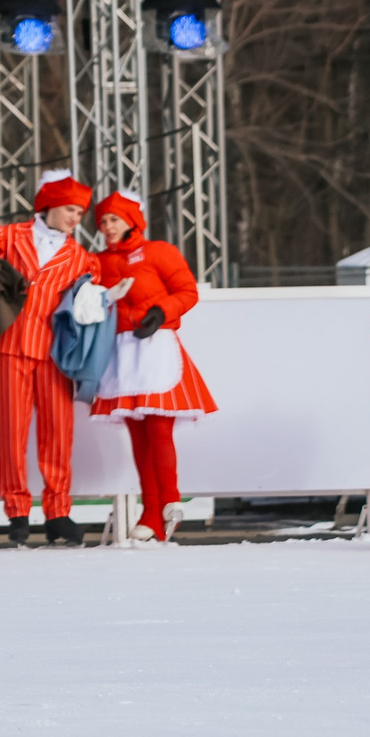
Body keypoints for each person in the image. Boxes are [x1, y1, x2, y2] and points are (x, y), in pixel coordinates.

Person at [0, 170, 101, 547]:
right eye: (72, 210)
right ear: (51, 205)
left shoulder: (81, 258)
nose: (77, 218)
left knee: (58, 435)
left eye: (80, 213)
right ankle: (18, 512)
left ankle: (57, 513)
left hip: (56, 354)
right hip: (11, 346)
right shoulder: (7, 238)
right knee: (11, 433)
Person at [89, 192, 218, 541]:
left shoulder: (160, 251)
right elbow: (89, 305)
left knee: (159, 430)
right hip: (121, 353)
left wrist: (160, 312)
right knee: (138, 435)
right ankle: (151, 515)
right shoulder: (97, 262)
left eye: (113, 219)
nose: (107, 227)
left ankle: (170, 500)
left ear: (132, 219)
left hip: (156, 348)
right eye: (102, 221)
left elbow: (187, 291)